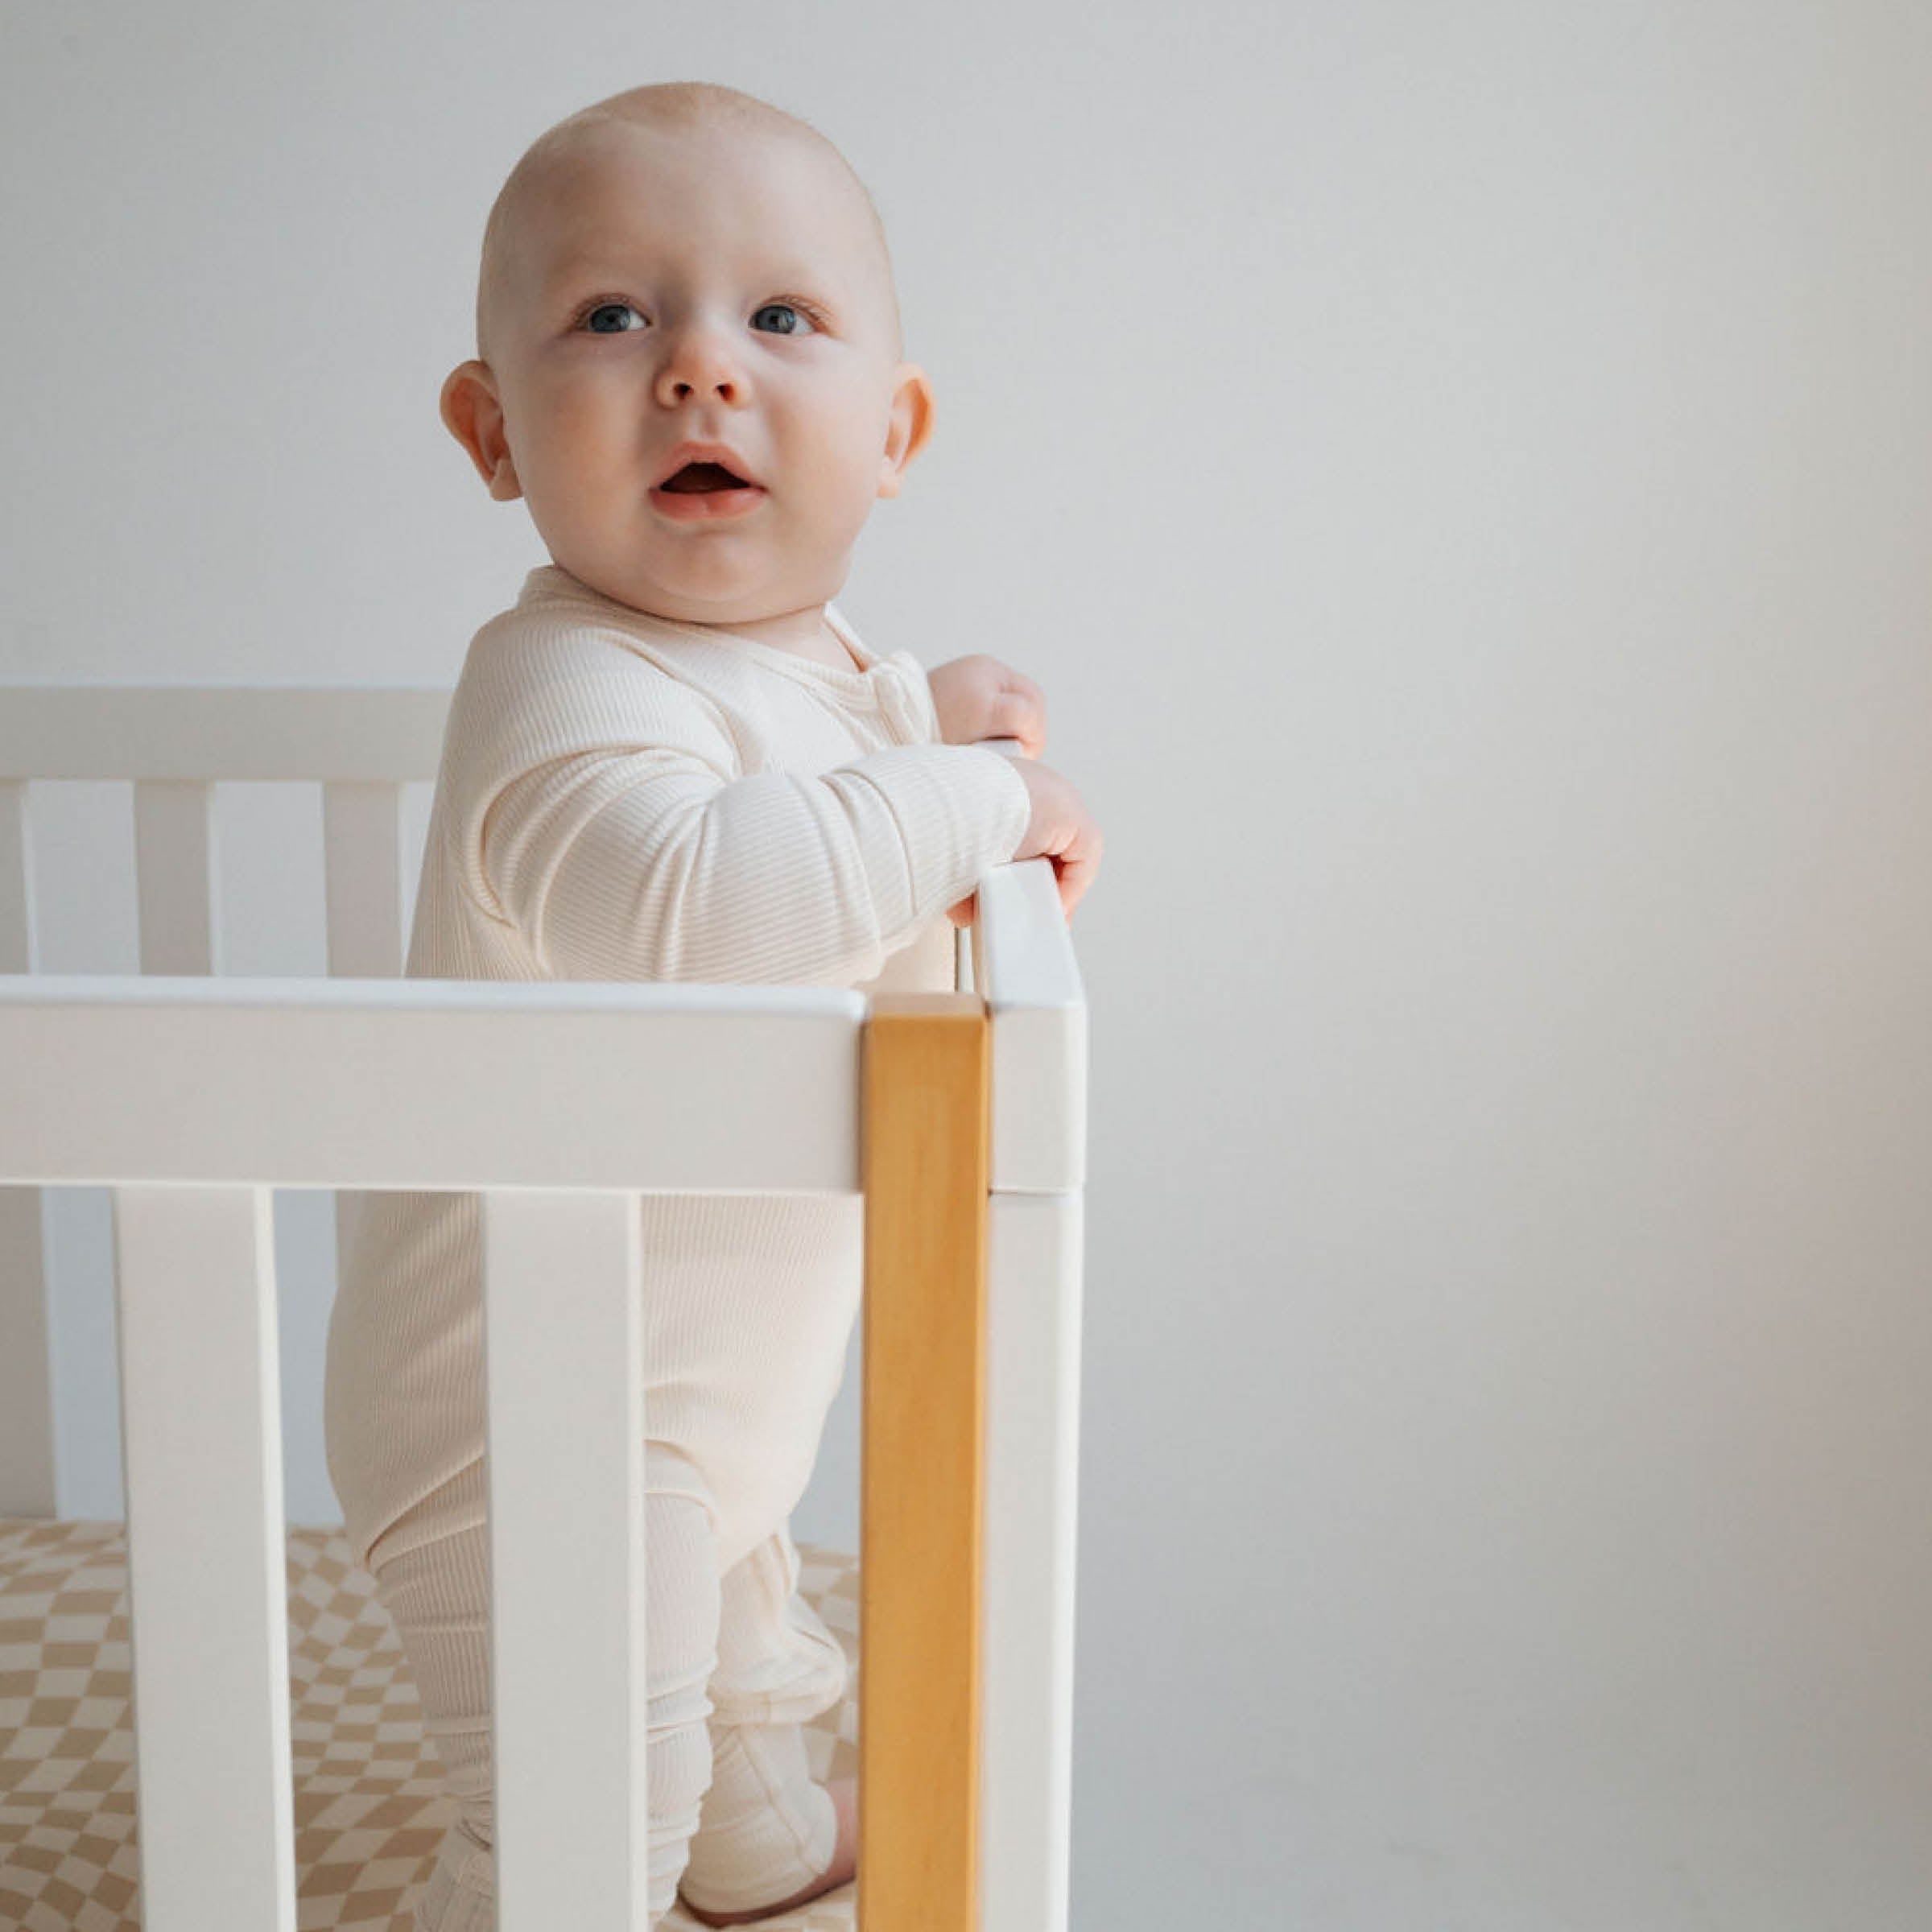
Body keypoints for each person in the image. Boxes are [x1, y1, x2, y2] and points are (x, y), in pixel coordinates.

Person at [321, 78, 1103, 1931]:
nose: (698, 370)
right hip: (532, 1423)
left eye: (779, 318)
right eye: (612, 316)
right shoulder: (556, 688)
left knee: (745, 1687)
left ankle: (750, 1845)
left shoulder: (786, 667)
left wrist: (926, 713)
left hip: (692, 1396)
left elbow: (809, 764)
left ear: (893, 433)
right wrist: (986, 796)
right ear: (489, 429)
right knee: (579, 1838)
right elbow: (700, 895)